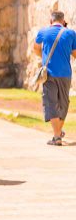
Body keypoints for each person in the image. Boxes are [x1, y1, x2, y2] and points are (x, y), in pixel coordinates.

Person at [33, 11, 76, 145]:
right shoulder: (70, 33)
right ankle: (58, 134)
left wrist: (44, 57)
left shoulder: (43, 32)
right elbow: (75, 53)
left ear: (51, 21)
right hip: (65, 74)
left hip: (49, 74)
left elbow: (36, 49)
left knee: (51, 103)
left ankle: (57, 136)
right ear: (63, 21)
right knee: (63, 103)